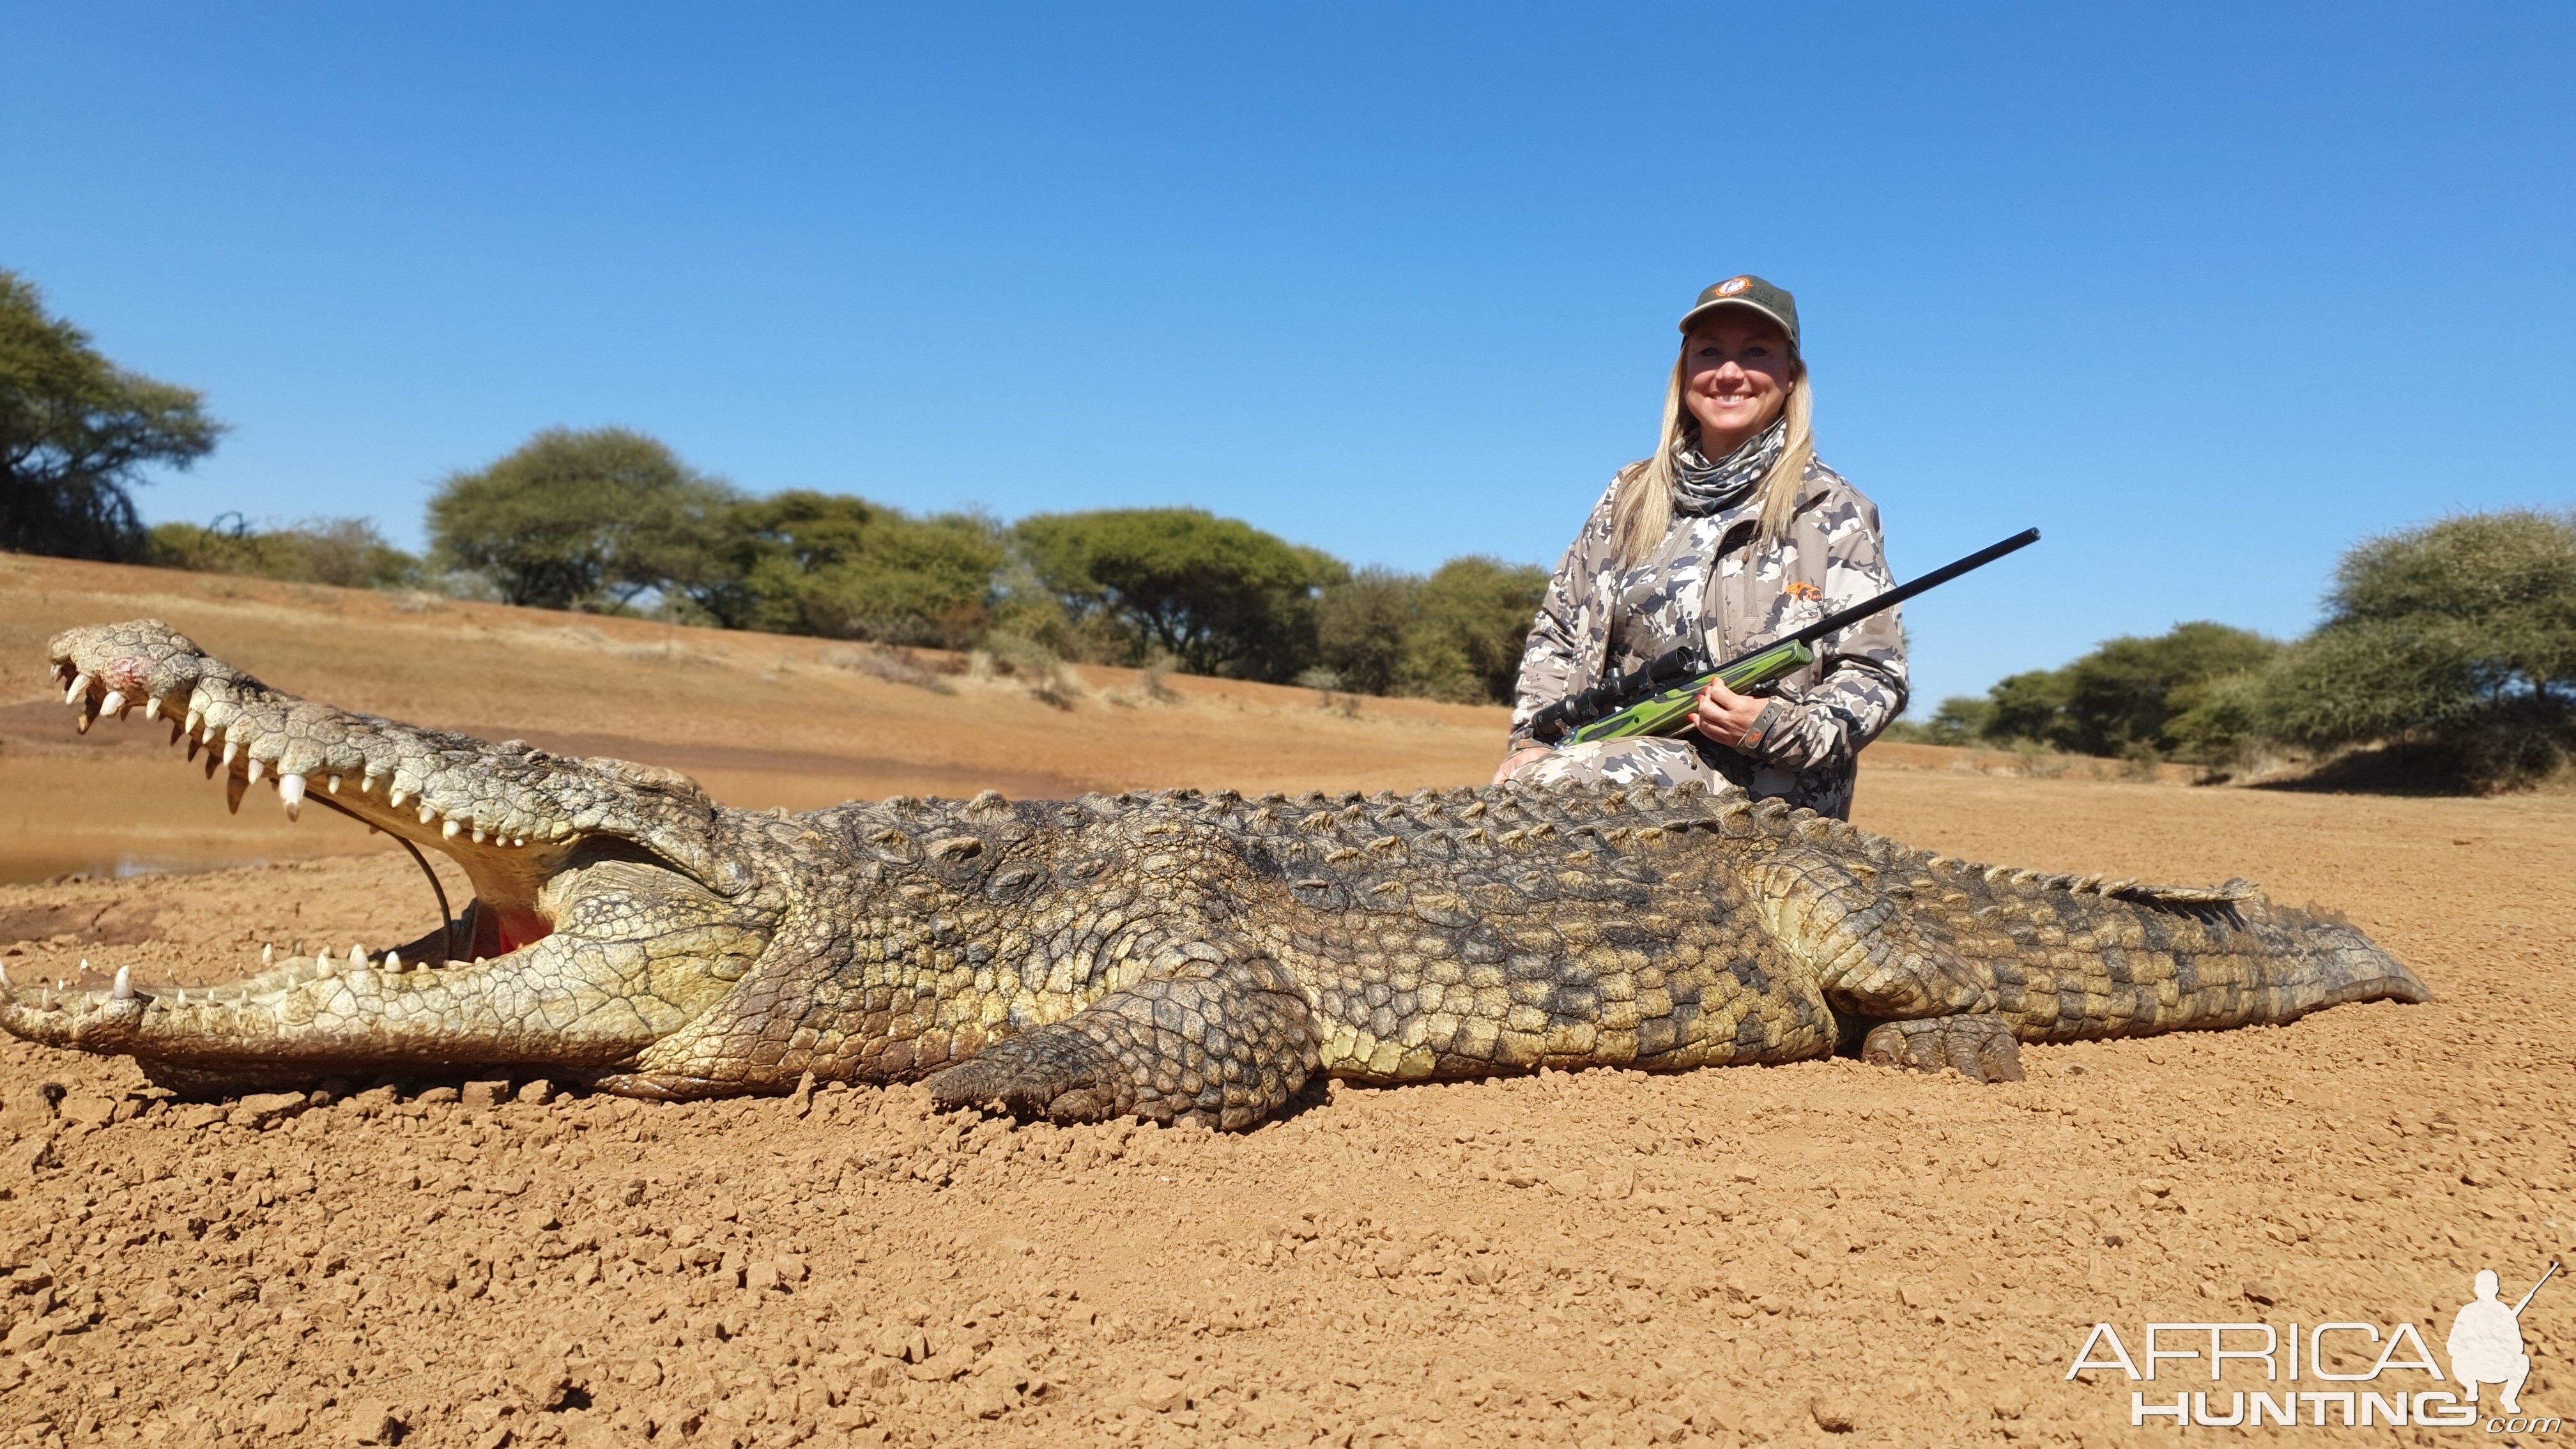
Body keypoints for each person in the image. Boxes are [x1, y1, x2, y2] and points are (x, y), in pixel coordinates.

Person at [1491, 274, 1906, 820]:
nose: (1729, 373)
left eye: (1756, 353)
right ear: (1685, 371)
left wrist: (1770, 728)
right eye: (1710, 353)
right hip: (1608, 752)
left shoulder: (1832, 509)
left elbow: (1875, 674)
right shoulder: (1629, 494)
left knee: (1552, 784)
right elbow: (1559, 632)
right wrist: (1530, 740)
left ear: (1790, 377)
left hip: (1766, 797)